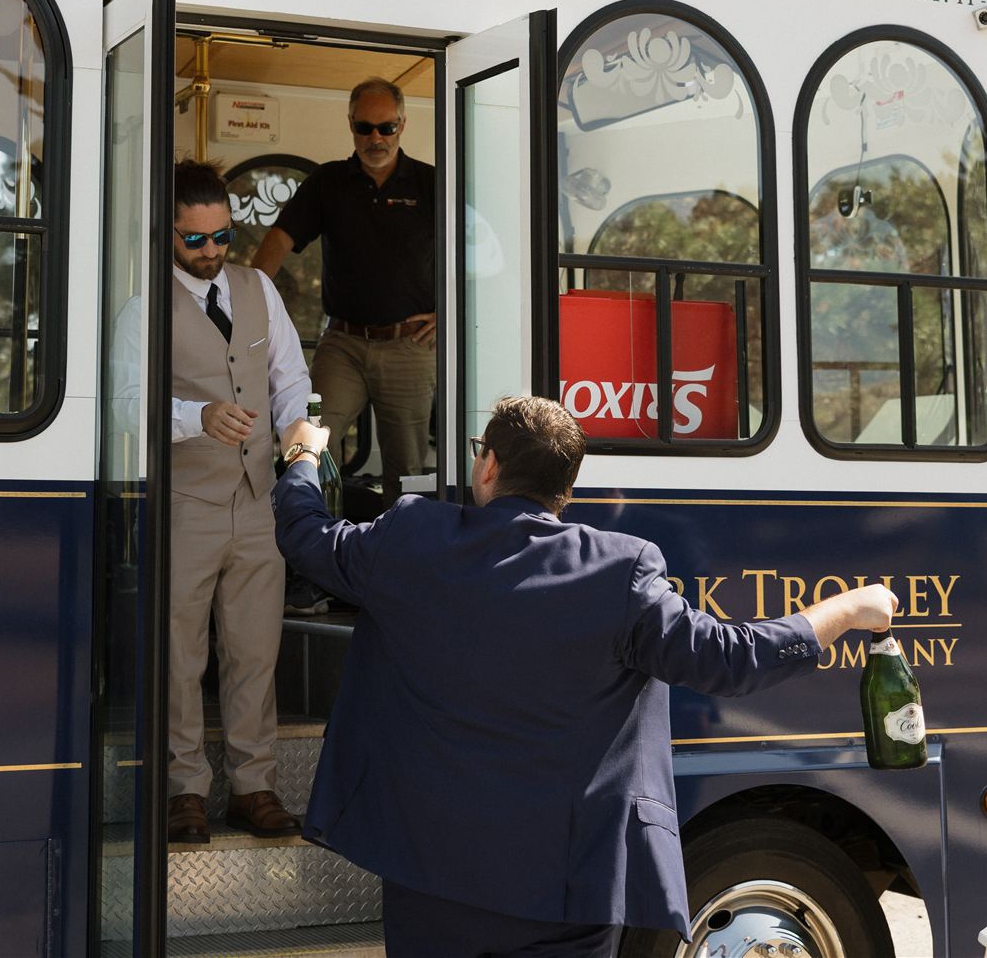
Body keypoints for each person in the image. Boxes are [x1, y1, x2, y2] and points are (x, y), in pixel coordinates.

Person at [272, 395, 899, 956]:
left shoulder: (411, 537)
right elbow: (729, 658)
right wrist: (847, 609)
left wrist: (302, 453)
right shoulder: (618, 573)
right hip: (564, 888)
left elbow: (305, 536)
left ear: (488, 464)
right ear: (565, 488)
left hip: (430, 874)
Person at [165, 160, 313, 845]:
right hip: (185, 499)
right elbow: (124, 401)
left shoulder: (257, 287)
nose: (211, 251)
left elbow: (290, 376)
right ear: (170, 233)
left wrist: (294, 434)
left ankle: (254, 785)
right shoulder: (143, 300)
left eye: (221, 235)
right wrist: (196, 416)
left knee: (255, 649)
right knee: (179, 651)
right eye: (195, 240)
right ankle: (183, 789)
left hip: (259, 497)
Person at [252, 77, 436, 480]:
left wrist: (451, 313)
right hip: (343, 345)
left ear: (402, 125)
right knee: (312, 444)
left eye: (386, 127)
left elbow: (476, 257)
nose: (375, 138)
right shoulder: (327, 182)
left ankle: (393, 544)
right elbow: (278, 241)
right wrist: (243, 304)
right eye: (364, 127)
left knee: (407, 469)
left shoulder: (432, 184)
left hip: (409, 346)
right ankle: (316, 539)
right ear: (350, 123)